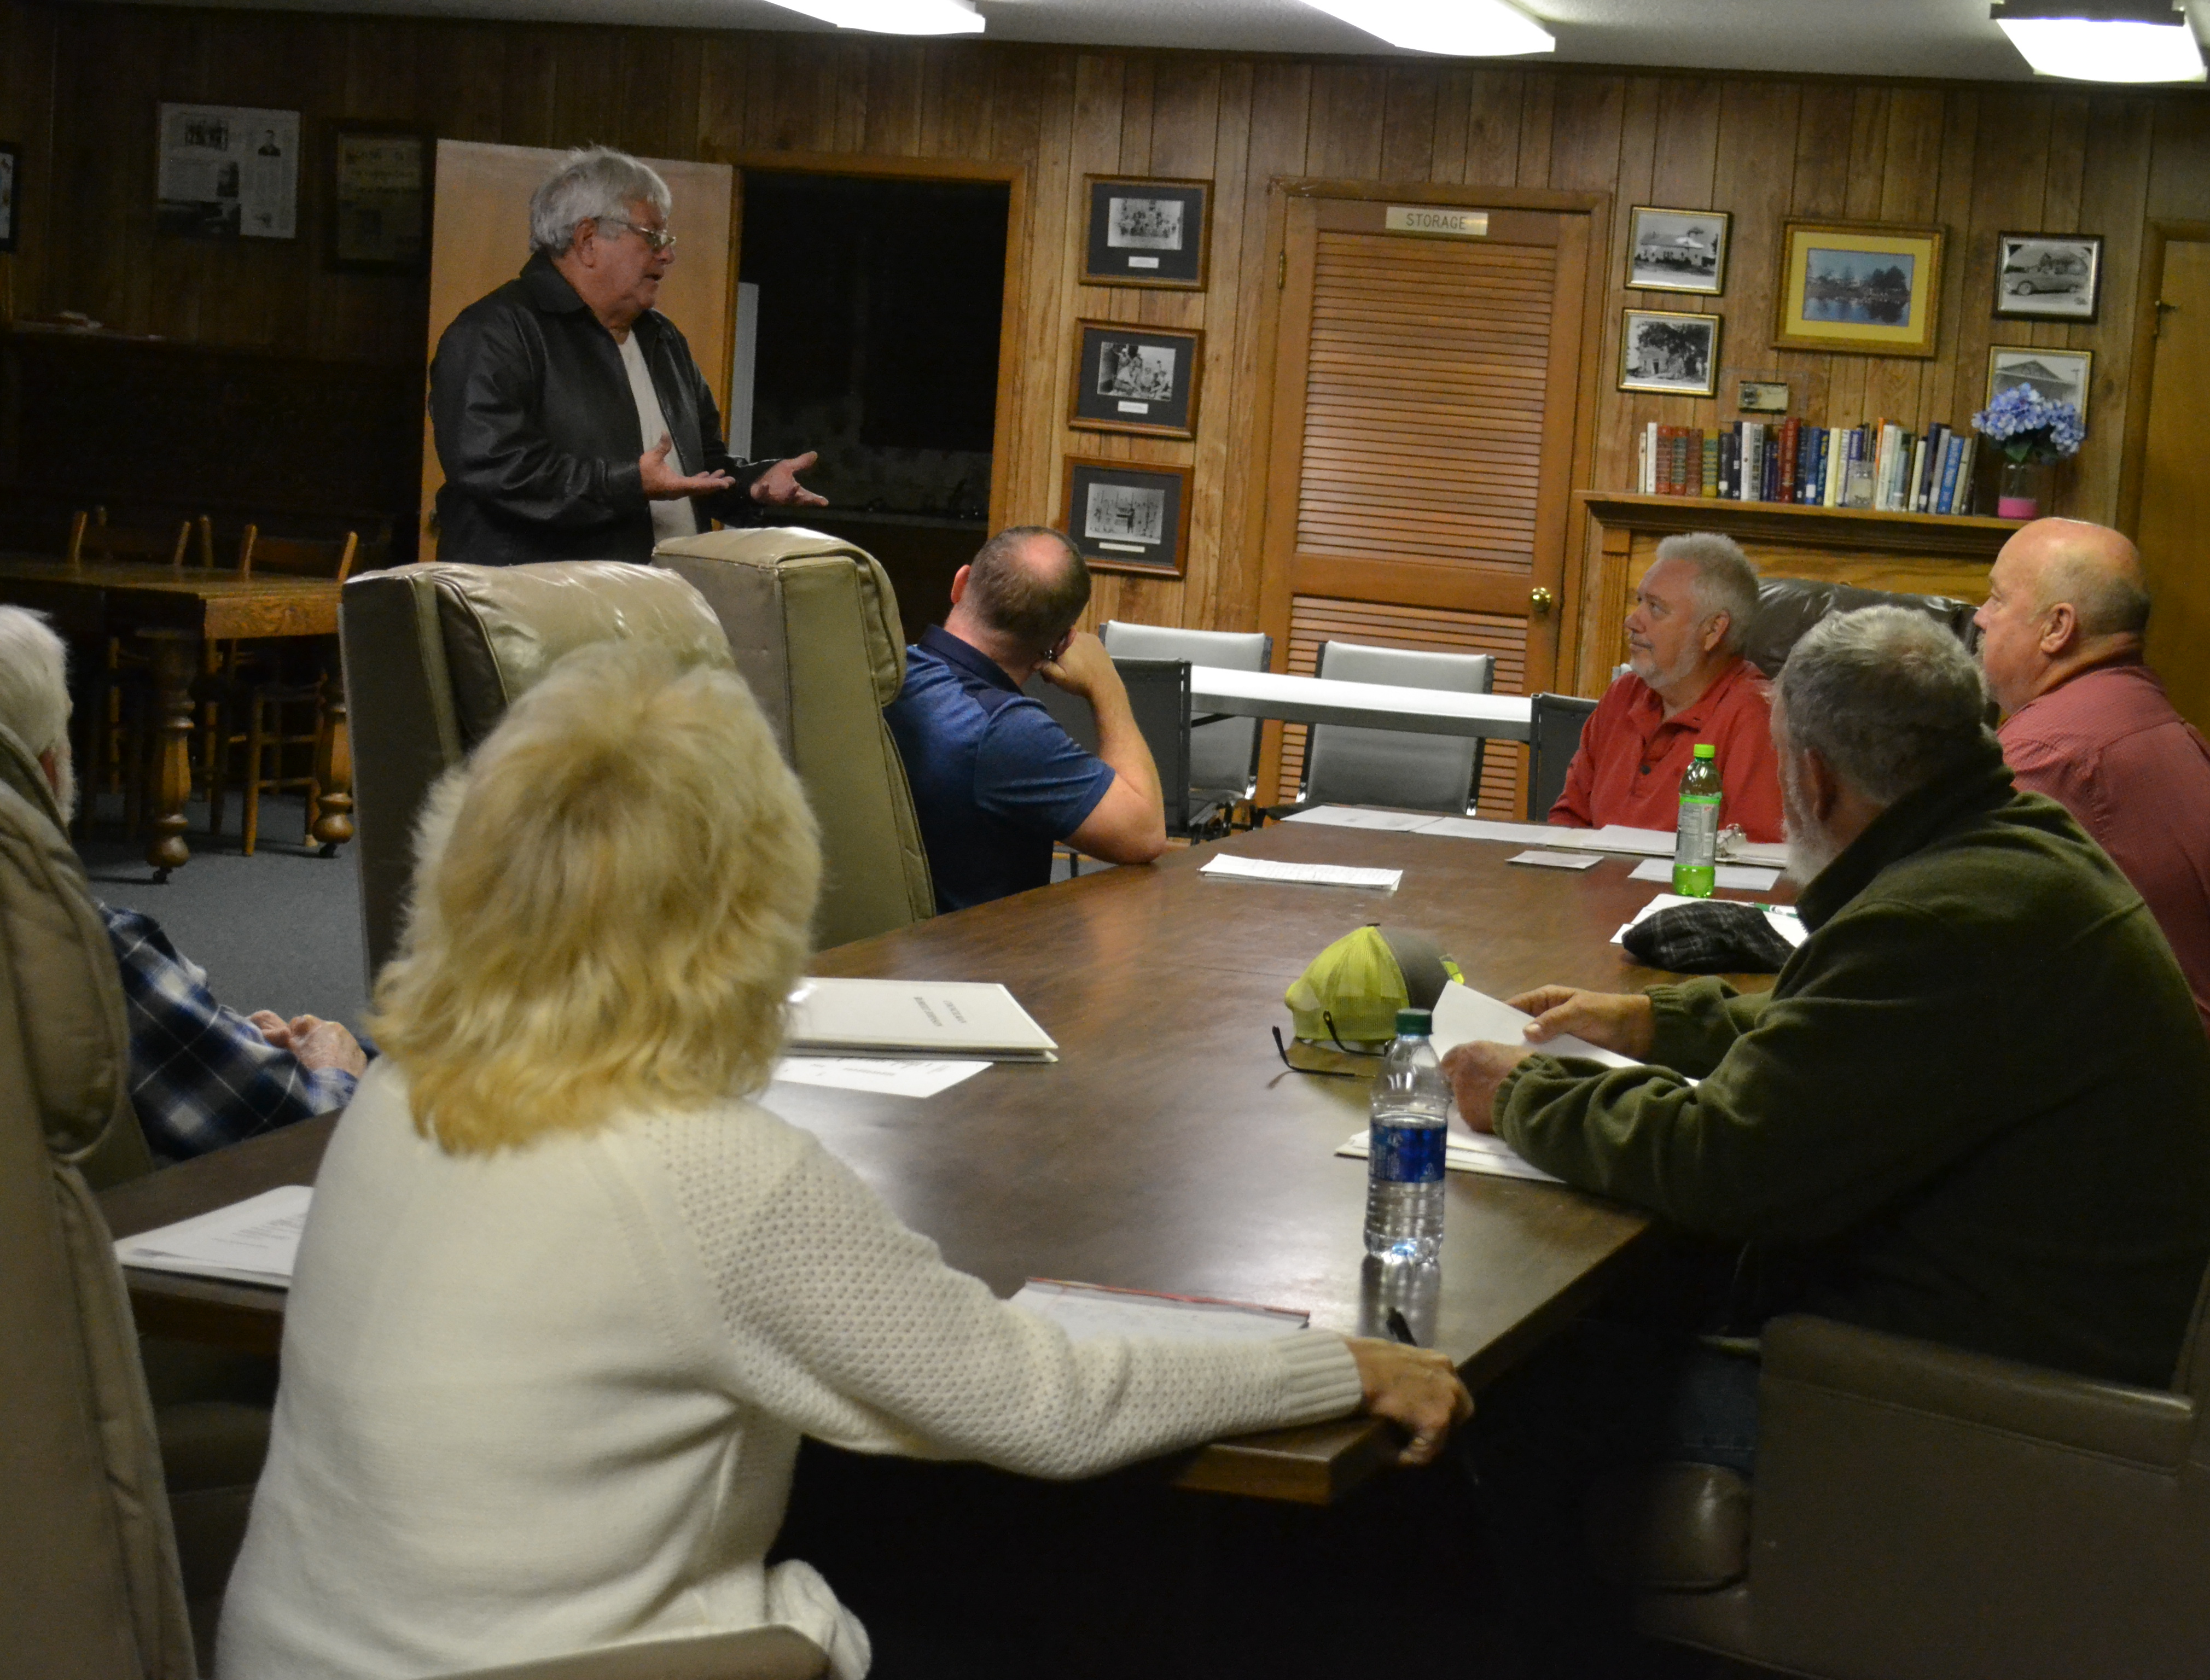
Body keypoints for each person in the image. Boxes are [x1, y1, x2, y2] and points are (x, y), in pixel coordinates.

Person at [217, 644, 1469, 1680]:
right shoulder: (713, 1174)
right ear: (749, 911)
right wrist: (1339, 1362)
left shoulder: (394, 1093)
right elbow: (1044, 1403)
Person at [1442, 606, 2210, 1669]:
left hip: (1949, 1398)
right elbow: (1868, 1042)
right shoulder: (2011, 855)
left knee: (1504, 1393)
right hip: (2044, 1348)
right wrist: (1659, 1022)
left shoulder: (1939, 914)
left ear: (1812, 780)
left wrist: (1525, 1093)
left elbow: (1727, 1163)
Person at [0, 606, 366, 1160]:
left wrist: (229, 1041)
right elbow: (308, 1135)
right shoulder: (79, 947)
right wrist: (335, 1068)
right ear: (48, 768)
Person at [428, 145, 826, 565]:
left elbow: (699, 467)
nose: (668, 255)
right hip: (542, 602)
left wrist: (752, 484)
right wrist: (628, 484)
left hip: (664, 597)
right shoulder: (492, 332)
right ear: (587, 241)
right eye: (653, 237)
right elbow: (497, 472)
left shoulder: (663, 339)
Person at [1975, 517, 2210, 1050]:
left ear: (2057, 627)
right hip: (2185, 1057)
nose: (1980, 617)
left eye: (1997, 599)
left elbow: (1947, 925)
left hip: (2133, 1070)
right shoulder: (2153, 719)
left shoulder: (2051, 754)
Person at [884, 526, 1169, 911]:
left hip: (863, 941)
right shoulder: (1005, 731)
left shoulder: (883, 675)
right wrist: (1107, 685)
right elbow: (1145, 834)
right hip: (977, 947)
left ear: (960, 583)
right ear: (1061, 643)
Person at [1548, 532, 1784, 840]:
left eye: (1656, 608)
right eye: (1639, 602)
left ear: (1713, 630)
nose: (1632, 621)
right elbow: (1569, 817)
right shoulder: (1624, 694)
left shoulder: (1757, 718)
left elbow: (1754, 855)